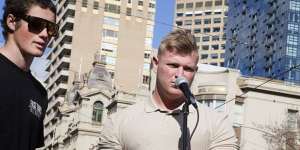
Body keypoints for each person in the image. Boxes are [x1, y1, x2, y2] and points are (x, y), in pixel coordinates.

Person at [98, 29, 238, 150]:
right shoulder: (118, 123)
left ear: (195, 71)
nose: (180, 75)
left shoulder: (217, 124)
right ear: (155, 64)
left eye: (188, 69)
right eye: (173, 65)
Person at [0, 0, 58, 149]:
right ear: (12, 22)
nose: (45, 34)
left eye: (50, 28)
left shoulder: (40, 93)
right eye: (36, 24)